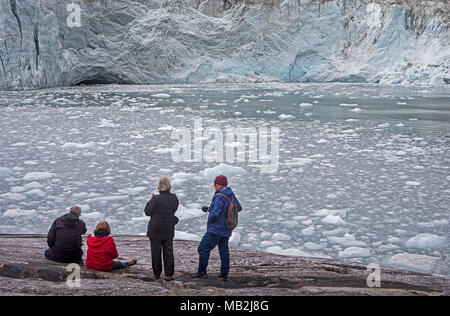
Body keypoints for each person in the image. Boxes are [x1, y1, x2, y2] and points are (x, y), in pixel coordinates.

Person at [192, 175, 242, 281]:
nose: (214, 186)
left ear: (220, 184)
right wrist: (210, 209)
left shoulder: (219, 196)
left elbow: (216, 214)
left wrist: (211, 217)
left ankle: (202, 272)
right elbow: (239, 208)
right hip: (227, 229)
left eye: (215, 184)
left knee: (203, 248)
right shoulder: (231, 195)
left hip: (215, 229)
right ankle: (224, 274)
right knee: (224, 251)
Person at [144, 176, 179, 281]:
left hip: (155, 228)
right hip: (168, 227)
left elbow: (147, 212)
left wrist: (152, 200)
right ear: (169, 186)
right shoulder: (174, 198)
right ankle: (169, 274)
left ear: (159, 186)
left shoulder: (155, 198)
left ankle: (157, 274)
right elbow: (173, 209)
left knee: (156, 252)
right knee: (168, 251)